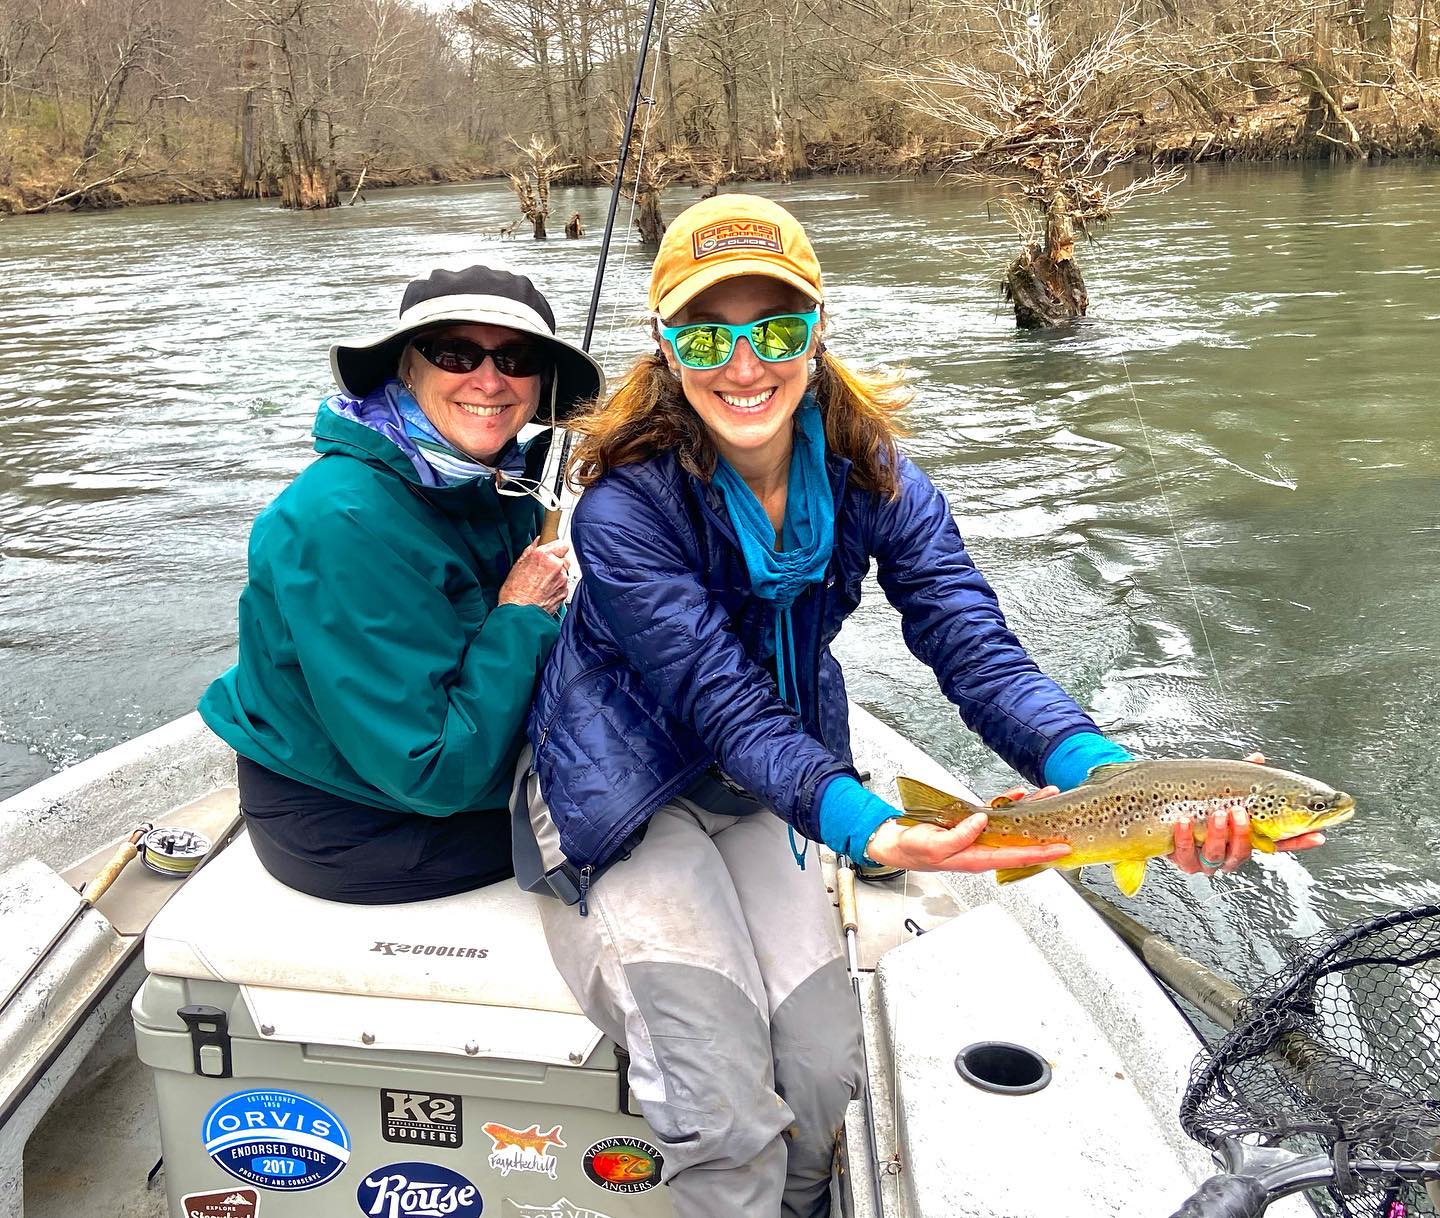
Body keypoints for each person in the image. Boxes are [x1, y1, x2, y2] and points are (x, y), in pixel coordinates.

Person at [516, 195, 1326, 1217]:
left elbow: (972, 648)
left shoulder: (878, 476)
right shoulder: (625, 507)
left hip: (775, 787)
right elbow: (720, 700)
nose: (744, 364)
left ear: (815, 331)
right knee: (723, 1110)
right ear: (666, 346)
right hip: (625, 787)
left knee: (817, 1081)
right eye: (706, 333)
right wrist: (876, 826)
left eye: (776, 329)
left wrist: (1108, 779)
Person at [200, 265, 602, 904]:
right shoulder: (341, 523)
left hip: (425, 773)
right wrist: (523, 612)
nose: (490, 381)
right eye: (456, 353)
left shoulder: (489, 476)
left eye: (517, 358)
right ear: (405, 369)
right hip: (359, 824)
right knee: (638, 809)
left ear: (541, 384)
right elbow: (433, 769)